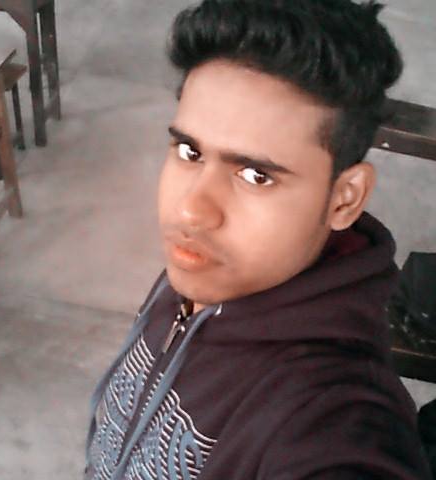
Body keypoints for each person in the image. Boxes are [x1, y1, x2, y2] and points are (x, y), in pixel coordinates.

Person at [84, 0, 433, 478]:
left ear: (344, 199)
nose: (191, 210)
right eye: (190, 152)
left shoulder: (334, 417)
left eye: (255, 175)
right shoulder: (206, 268)